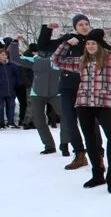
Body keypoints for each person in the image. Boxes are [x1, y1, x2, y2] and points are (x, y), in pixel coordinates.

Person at [52, 30, 111, 192]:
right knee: (89, 139)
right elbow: (56, 60)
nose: (90, 46)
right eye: (88, 43)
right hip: (83, 104)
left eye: (93, 43)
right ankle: (97, 173)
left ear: (100, 45)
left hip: (104, 104)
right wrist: (67, 43)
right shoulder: (81, 61)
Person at [38, 16, 105, 170]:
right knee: (69, 121)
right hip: (68, 86)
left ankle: (98, 155)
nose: (84, 27)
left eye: (86, 24)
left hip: (88, 86)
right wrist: (47, 29)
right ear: (75, 26)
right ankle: (80, 155)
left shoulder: (93, 40)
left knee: (91, 122)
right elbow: (43, 47)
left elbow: (110, 51)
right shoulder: (69, 39)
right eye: (80, 24)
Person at [8, 38, 68, 153]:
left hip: (56, 93)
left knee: (65, 116)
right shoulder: (35, 60)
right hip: (37, 94)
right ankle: (49, 146)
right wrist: (15, 42)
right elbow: (15, 58)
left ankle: (64, 143)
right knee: (38, 120)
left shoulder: (60, 61)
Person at [0, 46, 22, 128]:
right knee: (1, 107)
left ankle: (11, 122)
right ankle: (1, 123)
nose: (4, 56)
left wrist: (16, 83)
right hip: (1, 91)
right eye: (2, 55)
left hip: (10, 89)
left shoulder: (11, 65)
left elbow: (16, 75)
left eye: (5, 55)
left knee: (11, 106)